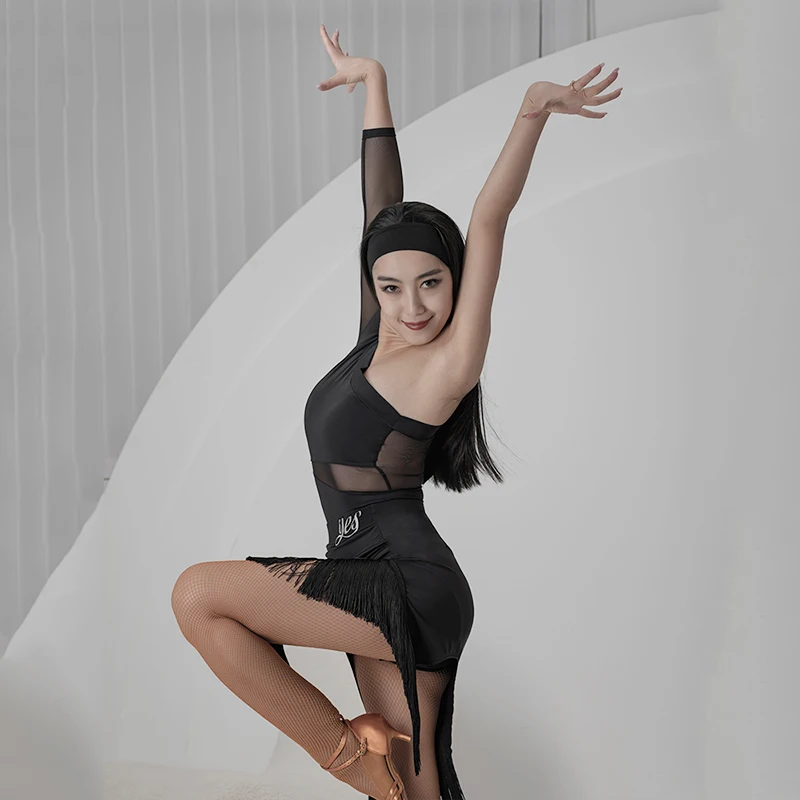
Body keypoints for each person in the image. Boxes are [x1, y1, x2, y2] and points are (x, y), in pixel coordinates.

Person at [171, 23, 622, 800]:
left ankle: (351, 754)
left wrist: (531, 112)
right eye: (392, 286)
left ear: (455, 281)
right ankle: (373, 765)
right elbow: (381, 204)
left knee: (199, 595)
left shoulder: (448, 364)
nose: (413, 305)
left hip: (409, 587)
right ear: (374, 285)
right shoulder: (373, 336)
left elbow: (488, 219)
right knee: (417, 789)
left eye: (432, 284)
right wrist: (374, 83)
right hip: (369, 582)